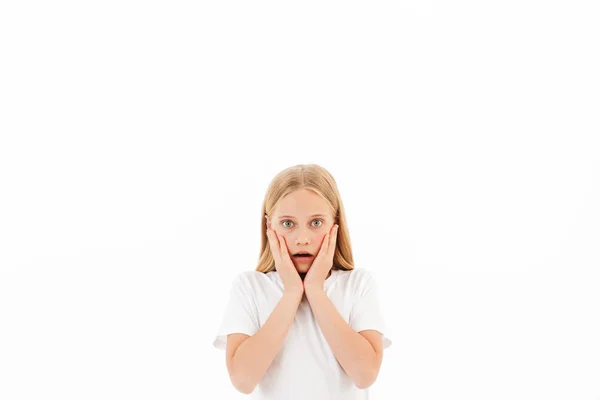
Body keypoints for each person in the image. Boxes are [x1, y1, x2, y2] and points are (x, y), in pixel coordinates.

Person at [212, 164, 392, 399]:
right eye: (288, 224)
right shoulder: (250, 287)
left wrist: (316, 291)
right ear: (269, 226)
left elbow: (364, 374)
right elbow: (243, 380)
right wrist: (291, 293)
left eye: (316, 223)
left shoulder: (357, 284)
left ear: (335, 225)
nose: (302, 239)